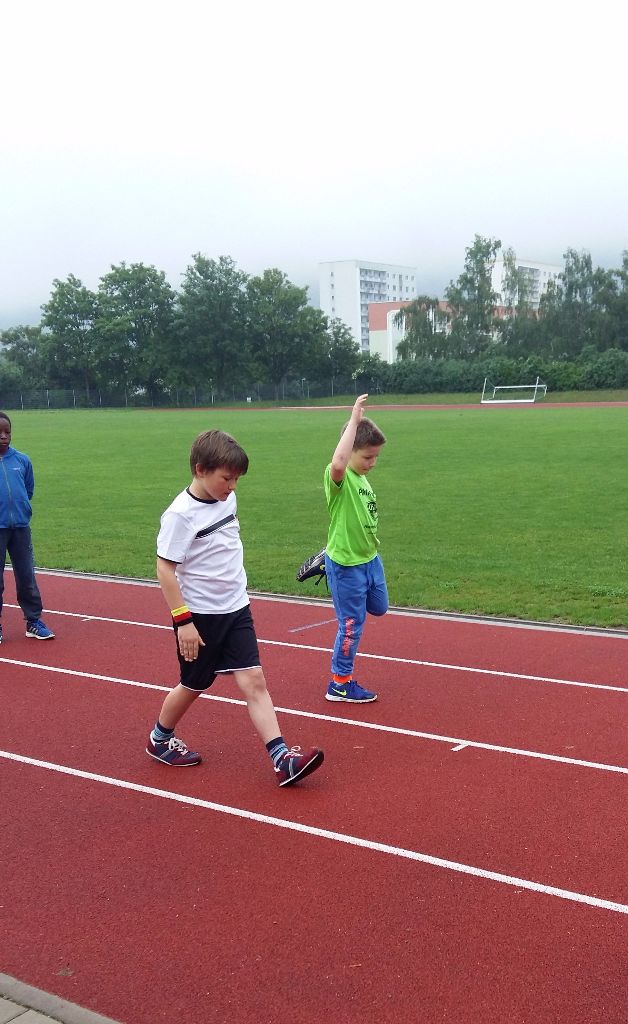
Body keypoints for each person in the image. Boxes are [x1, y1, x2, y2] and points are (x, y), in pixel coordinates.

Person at [147, 428, 324, 787]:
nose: (232, 486)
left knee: (254, 679)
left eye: (237, 479)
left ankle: (283, 760)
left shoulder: (227, 500)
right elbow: (164, 568)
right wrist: (183, 622)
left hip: (236, 607)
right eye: (226, 478)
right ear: (200, 470)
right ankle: (159, 738)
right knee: (194, 684)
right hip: (200, 617)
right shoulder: (180, 515)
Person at [324, 394, 388, 703]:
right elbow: (338, 463)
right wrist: (353, 420)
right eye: (367, 457)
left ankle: (326, 560)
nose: (372, 463)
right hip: (347, 564)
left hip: (370, 559)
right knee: (351, 626)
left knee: (380, 607)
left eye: (376, 457)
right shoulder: (340, 478)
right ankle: (340, 682)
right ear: (350, 450)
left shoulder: (362, 478)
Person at [0, 411, 55, 644]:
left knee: (26, 576)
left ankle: (33, 621)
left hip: (21, 528)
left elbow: (28, 490)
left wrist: (20, 508)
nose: (3, 436)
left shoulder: (22, 460)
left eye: (7, 432)